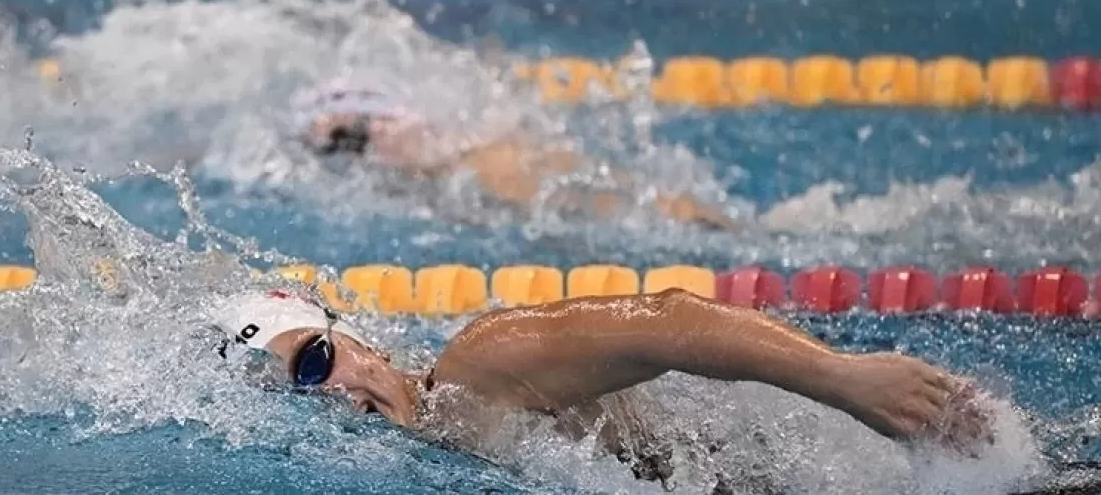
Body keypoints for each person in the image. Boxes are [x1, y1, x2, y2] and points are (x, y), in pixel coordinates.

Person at [210, 285, 993, 491]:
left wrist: (846, 378)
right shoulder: (420, 452)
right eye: (296, 393)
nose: (329, 394)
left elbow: (667, 319)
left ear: (357, 340)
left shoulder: (481, 366)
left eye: (316, 362)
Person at [287, 74, 739, 231]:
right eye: (335, 152)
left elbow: (672, 216)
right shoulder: (443, 182)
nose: (357, 161)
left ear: (404, 119)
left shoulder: (496, 167)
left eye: (357, 138)